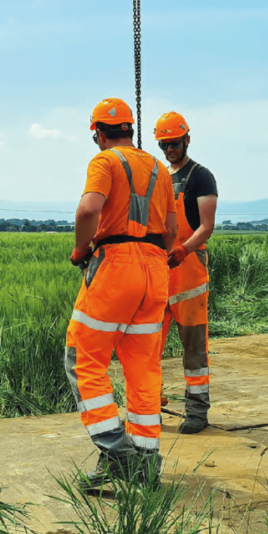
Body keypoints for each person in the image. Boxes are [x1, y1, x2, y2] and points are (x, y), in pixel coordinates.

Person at [64, 97, 177, 494]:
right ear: (130, 129)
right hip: (156, 270)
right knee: (143, 368)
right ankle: (146, 464)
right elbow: (172, 230)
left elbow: (87, 210)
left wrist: (81, 249)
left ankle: (116, 454)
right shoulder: (160, 169)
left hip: (116, 266)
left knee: (83, 358)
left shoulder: (105, 162)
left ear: (98, 132)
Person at [154, 111, 218, 434]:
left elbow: (206, 227)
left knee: (194, 349)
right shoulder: (163, 177)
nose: (170, 150)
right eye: (164, 145)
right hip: (161, 276)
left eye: (174, 144)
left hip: (189, 275)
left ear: (187, 140)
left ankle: (196, 411)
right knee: (148, 344)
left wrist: (184, 249)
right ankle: (151, 401)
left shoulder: (200, 177)